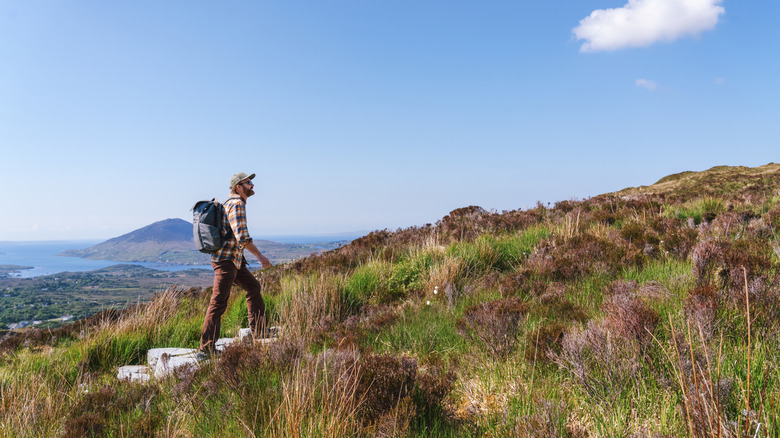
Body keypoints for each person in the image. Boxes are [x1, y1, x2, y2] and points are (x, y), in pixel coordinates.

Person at [199, 171, 272, 354]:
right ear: (238, 187)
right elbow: (242, 238)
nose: (252, 185)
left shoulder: (229, 204)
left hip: (234, 261)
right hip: (226, 262)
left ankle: (260, 330)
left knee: (253, 287)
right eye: (248, 183)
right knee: (218, 303)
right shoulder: (237, 204)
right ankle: (206, 349)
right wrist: (260, 257)